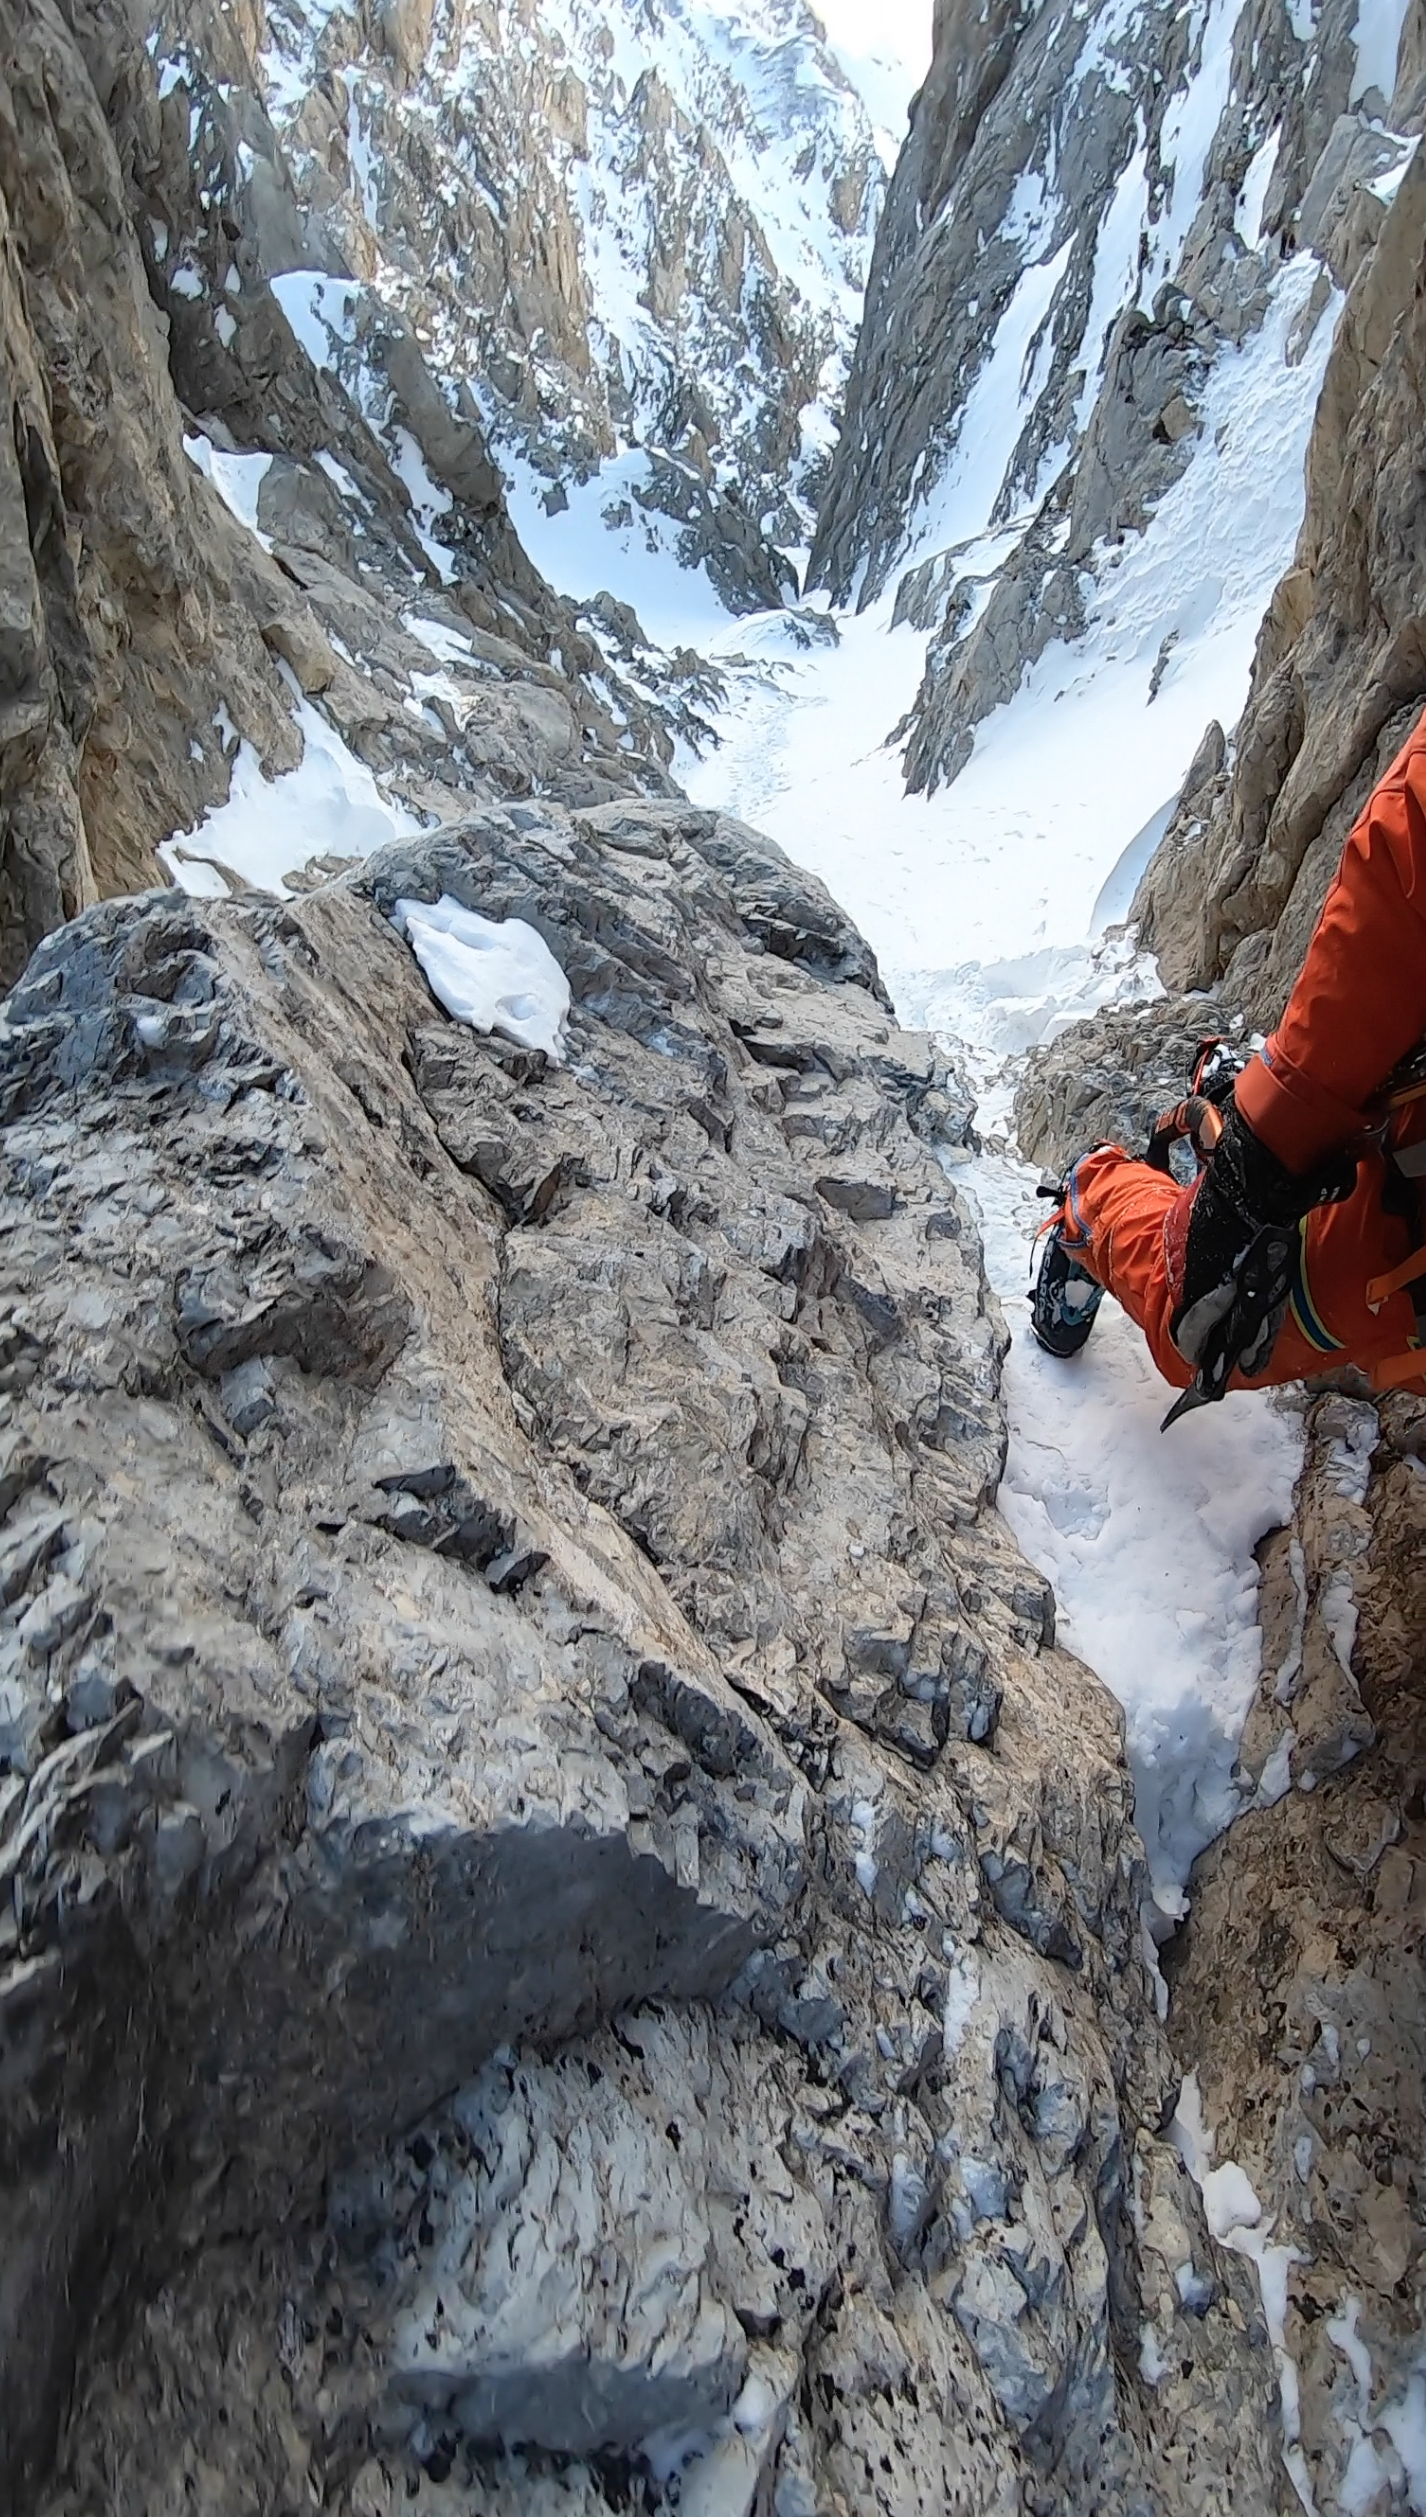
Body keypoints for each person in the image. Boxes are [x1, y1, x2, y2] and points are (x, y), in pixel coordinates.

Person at [1030, 711, 1426, 1426]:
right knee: (1195, 1322)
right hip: (1399, 1219)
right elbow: (1391, 915)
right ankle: (1092, 1193)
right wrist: (1259, 1159)